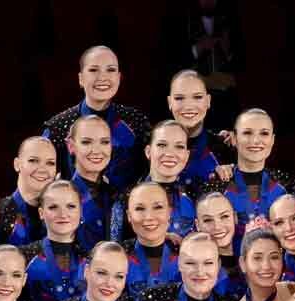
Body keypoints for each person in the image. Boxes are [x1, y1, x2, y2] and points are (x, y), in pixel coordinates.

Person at [41, 45, 151, 189]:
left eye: (110, 70)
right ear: (81, 78)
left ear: (119, 77)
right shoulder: (58, 127)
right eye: (93, 70)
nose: (103, 77)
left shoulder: (136, 122)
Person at [200, 108, 295, 241]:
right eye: (247, 133)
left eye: (264, 133)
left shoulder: (287, 184)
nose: (256, 140)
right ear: (234, 138)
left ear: (272, 139)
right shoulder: (215, 184)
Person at [109, 120, 198, 242]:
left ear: (187, 155)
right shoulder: (126, 199)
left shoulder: (197, 196)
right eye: (162, 145)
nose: (170, 153)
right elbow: (113, 252)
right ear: (148, 152)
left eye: (179, 146)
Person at [21, 181, 90, 301]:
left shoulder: (92, 257)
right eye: (53, 207)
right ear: (41, 213)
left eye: (71, 206)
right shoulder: (23, 256)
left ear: (81, 211)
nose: (63, 214)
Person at [167, 69, 234, 186]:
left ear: (208, 101)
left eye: (197, 97)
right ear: (169, 102)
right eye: (179, 98)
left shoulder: (225, 147)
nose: (188, 106)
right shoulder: (153, 147)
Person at [0, 137, 59, 247]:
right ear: (17, 164)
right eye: (33, 161)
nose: (42, 169)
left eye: (50, 163)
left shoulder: (64, 213)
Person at [65, 115, 117, 253]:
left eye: (104, 142)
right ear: (71, 146)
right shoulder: (60, 197)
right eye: (87, 142)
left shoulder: (118, 195)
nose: (96, 150)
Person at [120, 182, 182, 294]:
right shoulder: (117, 256)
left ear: (169, 212)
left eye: (158, 207)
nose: (149, 217)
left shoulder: (185, 252)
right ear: (129, 215)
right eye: (139, 208)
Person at [194, 192, 242, 297]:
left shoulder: (255, 248)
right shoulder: (194, 267)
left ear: (235, 217)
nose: (217, 226)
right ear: (198, 225)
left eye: (224, 216)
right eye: (208, 220)